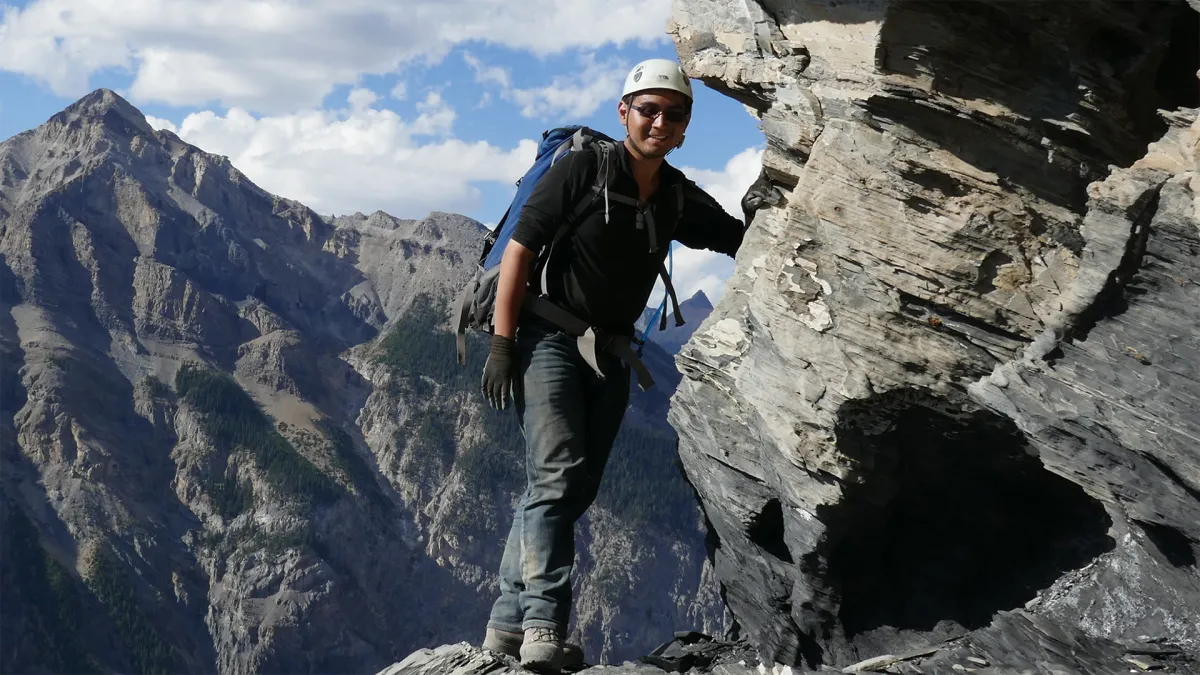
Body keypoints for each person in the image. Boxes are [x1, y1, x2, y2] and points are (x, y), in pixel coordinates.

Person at [479, 58, 778, 672]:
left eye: (673, 114)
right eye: (648, 110)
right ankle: (542, 625)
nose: (659, 122)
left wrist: (780, 202)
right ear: (625, 113)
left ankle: (505, 627)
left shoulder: (674, 194)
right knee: (558, 476)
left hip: (612, 354)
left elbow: (732, 237)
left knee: (570, 486)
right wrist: (503, 344)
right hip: (547, 338)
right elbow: (519, 250)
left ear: (687, 125)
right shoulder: (582, 169)